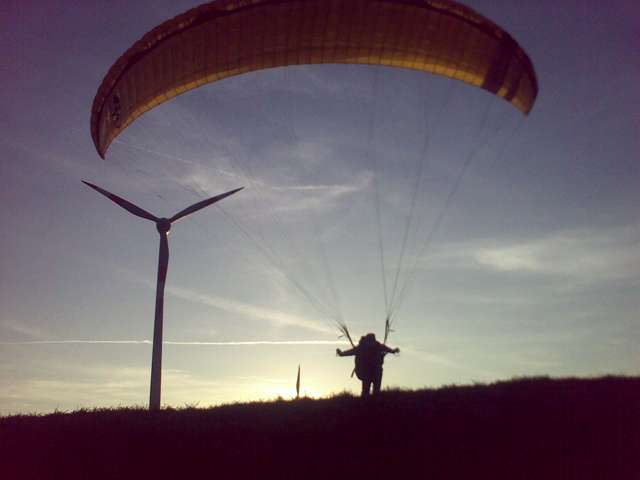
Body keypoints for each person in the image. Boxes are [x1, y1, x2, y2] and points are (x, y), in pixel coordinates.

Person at [336, 333, 399, 398]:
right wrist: (342, 353)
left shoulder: (377, 346)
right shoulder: (363, 347)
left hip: (375, 371)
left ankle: (372, 400)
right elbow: (351, 352)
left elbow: (388, 349)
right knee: (367, 390)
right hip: (367, 372)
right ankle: (368, 400)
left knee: (375, 390)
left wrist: (393, 351)